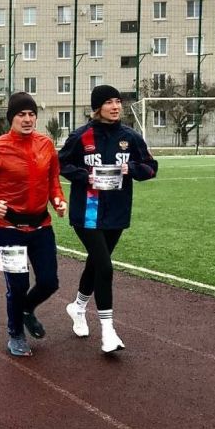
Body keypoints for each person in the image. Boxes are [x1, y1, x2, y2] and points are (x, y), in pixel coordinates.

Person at [58, 85, 158, 354]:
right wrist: (85, 176)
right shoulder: (81, 136)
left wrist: (131, 168)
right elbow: (61, 164)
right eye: (109, 102)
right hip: (87, 213)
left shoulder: (130, 137)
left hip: (117, 213)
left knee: (95, 264)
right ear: (97, 107)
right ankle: (108, 331)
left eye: (118, 102)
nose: (115, 107)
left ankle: (77, 307)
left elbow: (151, 168)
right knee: (105, 267)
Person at [0, 92, 67, 358]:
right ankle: (15, 333)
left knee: (49, 282)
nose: (27, 119)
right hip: (9, 228)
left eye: (31, 114)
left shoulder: (46, 145)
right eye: (21, 114)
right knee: (18, 285)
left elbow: (53, 180)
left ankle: (26, 310)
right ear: (11, 118)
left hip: (41, 226)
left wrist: (58, 199)